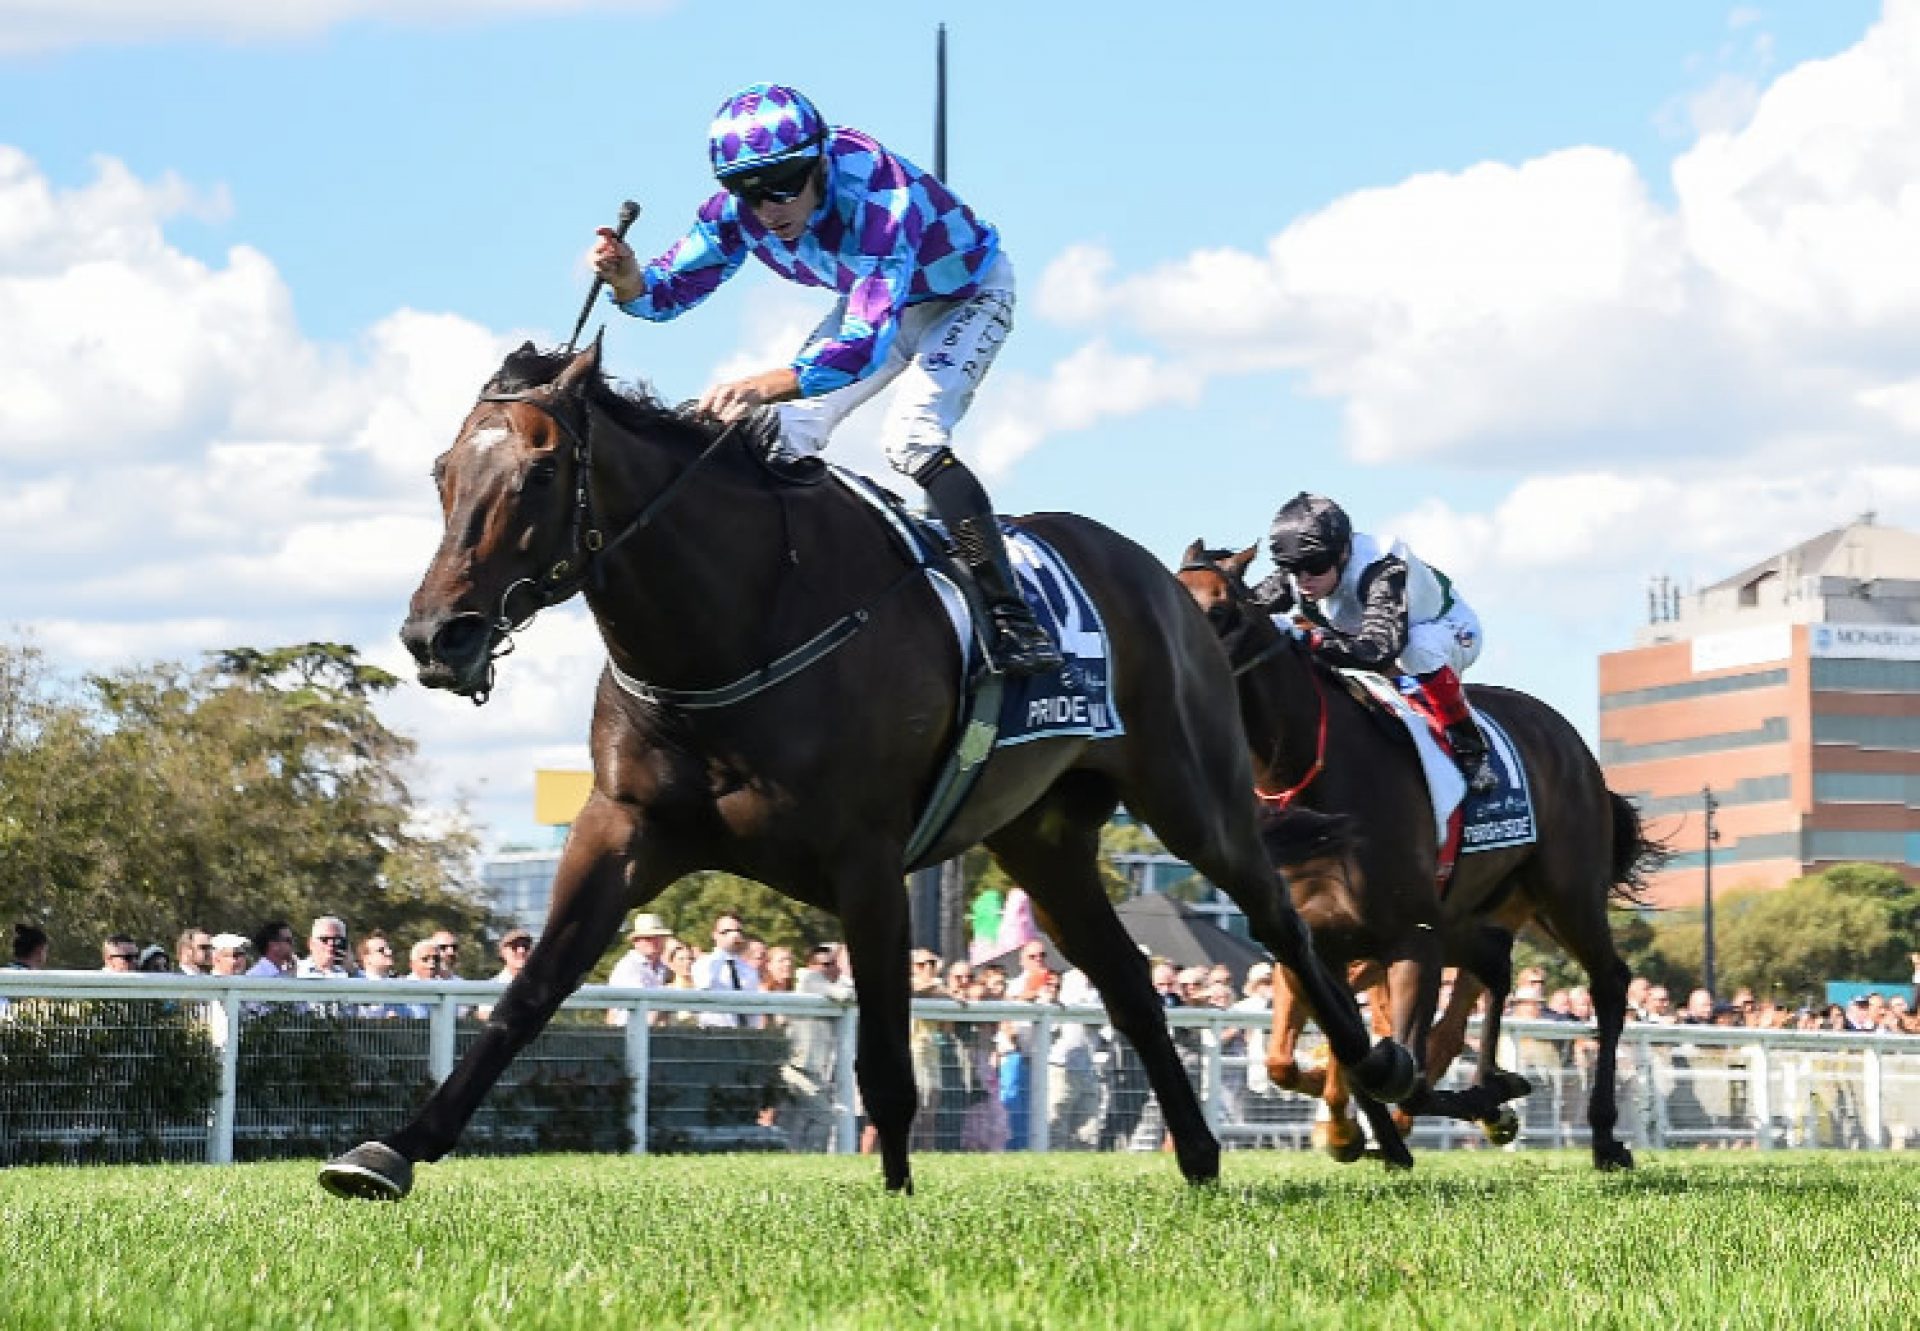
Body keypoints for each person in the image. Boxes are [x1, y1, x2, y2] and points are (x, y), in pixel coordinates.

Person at [589, 81, 1060, 676]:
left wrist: (767, 383)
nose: (769, 208)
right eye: (747, 191)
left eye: (785, 184)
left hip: (964, 297)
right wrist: (628, 278)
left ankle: (1013, 621)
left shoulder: (878, 196)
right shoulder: (737, 215)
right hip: (879, 304)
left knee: (911, 436)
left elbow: (864, 345)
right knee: (779, 437)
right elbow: (661, 296)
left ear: (819, 161)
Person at [1253, 492, 1496, 793]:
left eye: (1315, 566)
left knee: (1415, 650)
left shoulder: (1382, 569)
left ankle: (1470, 748)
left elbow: (1378, 650)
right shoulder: (1303, 571)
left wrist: (1311, 639)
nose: (1303, 580)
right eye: (1292, 567)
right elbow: (1245, 609)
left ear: (1343, 553)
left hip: (1448, 629)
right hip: (1372, 640)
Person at [692, 911, 762, 1028]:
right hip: (714, 1033)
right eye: (727, 932)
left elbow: (753, 1010)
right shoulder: (703, 964)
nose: (734, 935)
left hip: (745, 1034)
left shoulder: (749, 971)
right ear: (715, 935)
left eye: (738, 931)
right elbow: (703, 992)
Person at [606, 912, 674, 1028]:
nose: (654, 942)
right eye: (648, 938)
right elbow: (642, 1001)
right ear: (636, 941)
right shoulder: (628, 967)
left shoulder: (662, 967)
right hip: (627, 1031)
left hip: (649, 1031)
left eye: (658, 937)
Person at [476, 928, 533, 1022]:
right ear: (503, 952)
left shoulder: (538, 987)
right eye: (515, 946)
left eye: (526, 946)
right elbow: (484, 1017)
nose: (521, 951)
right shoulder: (489, 987)